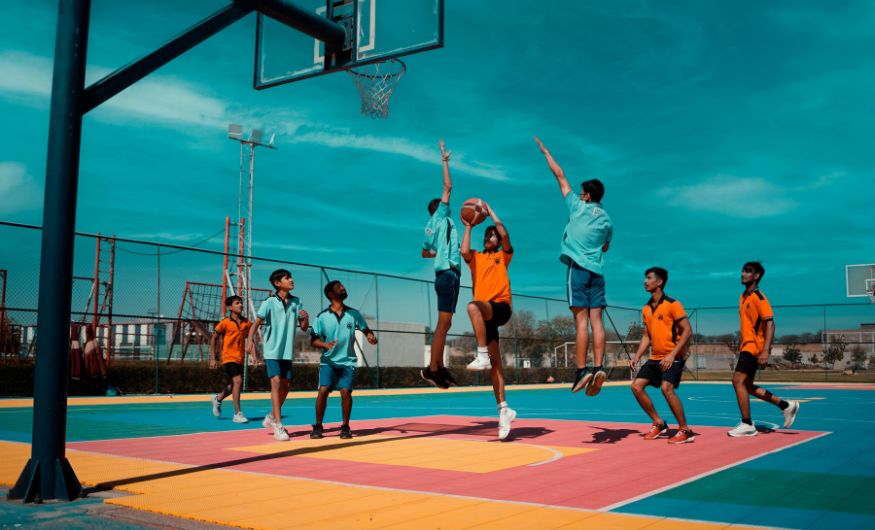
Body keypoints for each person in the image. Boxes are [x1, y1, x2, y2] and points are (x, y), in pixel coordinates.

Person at [534, 137, 613, 396]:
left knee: (580, 321)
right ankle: (599, 366)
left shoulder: (577, 206)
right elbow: (605, 247)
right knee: (596, 321)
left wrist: (546, 152)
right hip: (597, 272)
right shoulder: (607, 221)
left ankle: (582, 370)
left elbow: (560, 175)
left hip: (578, 269)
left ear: (587, 195)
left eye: (582, 192)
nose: (579, 194)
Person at [461, 202, 516, 440]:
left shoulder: (503, 257)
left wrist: (491, 213)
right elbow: (464, 252)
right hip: (487, 316)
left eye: (491, 234)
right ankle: (504, 410)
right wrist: (469, 226)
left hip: (501, 307)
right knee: (496, 367)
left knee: (472, 306)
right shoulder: (477, 258)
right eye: (487, 234)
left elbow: (504, 233)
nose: (489, 236)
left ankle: (481, 353)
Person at [728, 262, 800, 437]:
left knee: (737, 381)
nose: (743, 274)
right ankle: (785, 406)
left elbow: (771, 323)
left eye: (748, 272)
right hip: (747, 345)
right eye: (742, 271)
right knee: (748, 386)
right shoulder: (743, 296)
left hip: (754, 347)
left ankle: (747, 424)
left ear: (757, 276)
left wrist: (765, 350)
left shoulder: (759, 298)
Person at [630, 268, 694, 444]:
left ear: (659, 282)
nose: (645, 281)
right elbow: (646, 335)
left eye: (649, 278)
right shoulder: (646, 308)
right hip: (656, 356)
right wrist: (637, 356)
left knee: (667, 388)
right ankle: (658, 423)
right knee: (636, 386)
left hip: (673, 356)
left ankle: (685, 430)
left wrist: (672, 355)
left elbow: (687, 330)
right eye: (645, 278)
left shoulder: (673, 304)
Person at [309, 281, 378, 440]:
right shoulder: (322, 317)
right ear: (331, 294)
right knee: (323, 390)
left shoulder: (354, 314)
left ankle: (345, 426)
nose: (344, 287)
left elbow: (366, 330)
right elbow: (313, 340)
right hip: (328, 362)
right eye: (339, 286)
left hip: (348, 362)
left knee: (346, 392)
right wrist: (325, 344)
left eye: (343, 286)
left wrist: (370, 336)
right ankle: (318, 426)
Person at [246, 269, 309, 441]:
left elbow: (303, 328)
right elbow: (255, 323)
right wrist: (249, 340)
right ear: (277, 283)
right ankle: (279, 426)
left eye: (291, 276)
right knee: (275, 382)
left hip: (287, 352)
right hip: (272, 350)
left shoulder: (297, 302)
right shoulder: (269, 302)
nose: (292, 279)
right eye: (287, 278)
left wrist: (305, 318)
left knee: (286, 385)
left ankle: (272, 416)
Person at [420, 139, 461, 390]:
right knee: (443, 323)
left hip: (444, 273)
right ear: (439, 208)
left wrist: (441, 253)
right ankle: (433, 369)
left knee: (445, 323)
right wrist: (444, 160)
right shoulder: (442, 216)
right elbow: (448, 185)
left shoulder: (430, 227)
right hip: (448, 274)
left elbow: (425, 252)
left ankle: (437, 366)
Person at [210, 295, 252, 423]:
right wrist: (213, 358)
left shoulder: (247, 323)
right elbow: (213, 338)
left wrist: (254, 355)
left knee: (234, 384)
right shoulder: (225, 323)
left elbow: (251, 340)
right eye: (237, 303)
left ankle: (218, 399)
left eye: (241, 303)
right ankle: (237, 414)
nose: (240, 305)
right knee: (238, 381)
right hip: (228, 357)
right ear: (230, 307)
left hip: (240, 358)